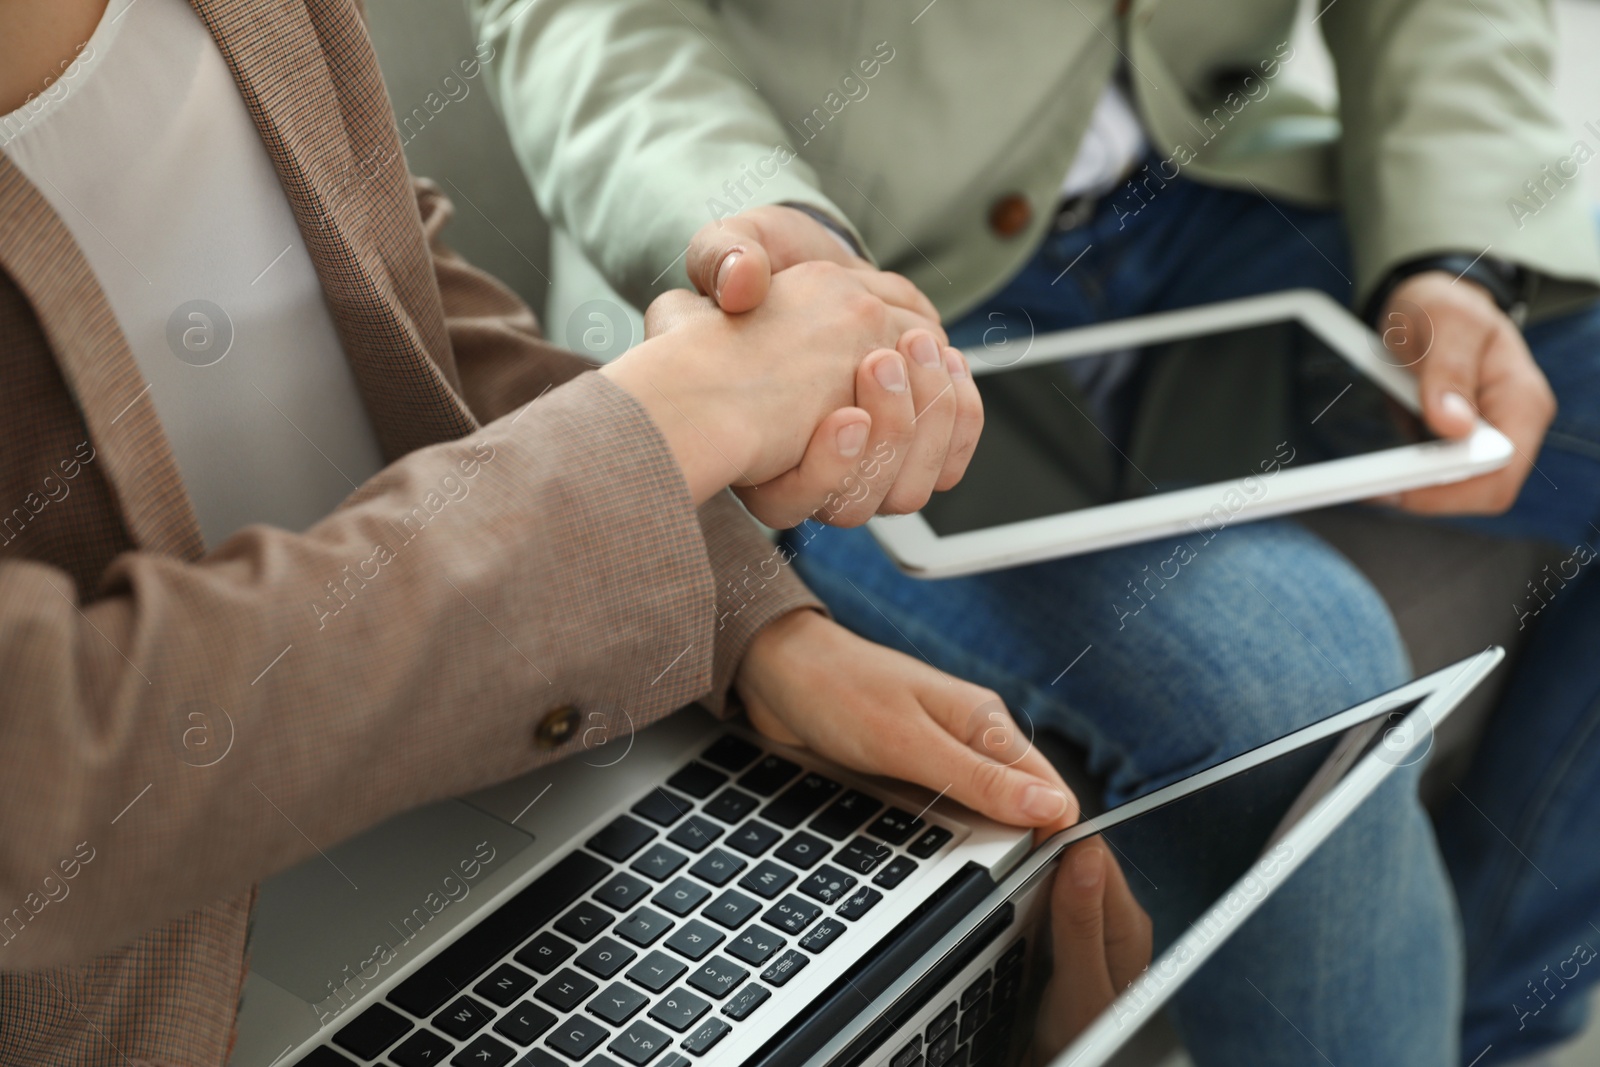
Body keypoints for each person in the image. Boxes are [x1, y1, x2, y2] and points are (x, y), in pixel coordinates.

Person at [0, 0, 1133, 1062]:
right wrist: (671, 419)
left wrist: (762, 627)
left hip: (473, 760)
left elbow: (403, 301)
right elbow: (51, 756)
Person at [474, 0, 1600, 1062]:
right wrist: (762, 243)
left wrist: (1456, 252)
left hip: (1209, 187)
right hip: (846, 279)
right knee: (1301, 674)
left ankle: (1488, 1025)